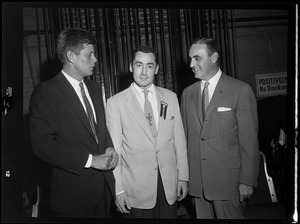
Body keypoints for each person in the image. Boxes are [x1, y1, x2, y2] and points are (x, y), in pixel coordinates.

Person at [29, 28, 119, 218]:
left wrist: (109, 147)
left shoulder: (94, 89)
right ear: (71, 56)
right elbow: (42, 145)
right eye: (90, 54)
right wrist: (90, 160)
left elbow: (99, 129)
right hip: (73, 198)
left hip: (103, 191)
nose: (95, 59)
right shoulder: (46, 92)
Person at [180, 37, 260, 219]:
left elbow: (249, 141)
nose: (191, 64)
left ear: (214, 57)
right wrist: (183, 177)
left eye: (197, 58)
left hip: (229, 185)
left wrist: (247, 180)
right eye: (190, 59)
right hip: (197, 186)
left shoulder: (240, 90)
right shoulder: (187, 94)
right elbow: (184, 139)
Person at [106, 45, 189, 218]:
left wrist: (183, 177)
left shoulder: (171, 97)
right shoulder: (116, 103)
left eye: (149, 66)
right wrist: (118, 190)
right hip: (135, 191)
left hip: (168, 186)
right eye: (139, 65)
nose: (144, 72)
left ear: (157, 69)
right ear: (130, 66)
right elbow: (115, 151)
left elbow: (179, 141)